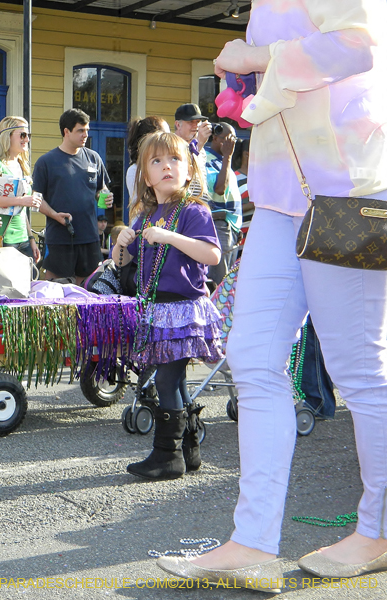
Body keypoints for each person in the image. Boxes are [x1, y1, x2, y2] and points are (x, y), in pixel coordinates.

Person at [157, 1, 387, 589]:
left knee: (359, 371)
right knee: (253, 358)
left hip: (342, 190)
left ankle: (378, 530)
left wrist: (257, 58)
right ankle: (253, 543)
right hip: (282, 193)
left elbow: (360, 43)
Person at [114, 131, 221, 481]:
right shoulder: (147, 214)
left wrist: (170, 236)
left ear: (188, 169)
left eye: (174, 160)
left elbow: (212, 254)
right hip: (158, 308)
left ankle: (166, 455)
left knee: (166, 379)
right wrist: (121, 242)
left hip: (184, 308)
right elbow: (121, 261)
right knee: (175, 381)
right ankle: (188, 450)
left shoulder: (194, 211)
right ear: (146, 175)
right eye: (156, 162)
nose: (166, 167)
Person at [33, 108, 112, 285]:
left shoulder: (94, 158)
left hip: (90, 236)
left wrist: (105, 196)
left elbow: (102, 188)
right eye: (80, 130)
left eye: (87, 130)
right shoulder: (46, 162)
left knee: (88, 289)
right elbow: (36, 199)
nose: (85, 135)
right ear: (66, 132)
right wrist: (55, 215)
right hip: (60, 237)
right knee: (56, 289)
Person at [0, 116, 40, 261]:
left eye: (28, 135)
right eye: (23, 135)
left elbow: (21, 209)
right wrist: (21, 200)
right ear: (8, 136)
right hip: (3, 238)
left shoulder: (21, 165)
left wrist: (31, 238)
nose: (27, 139)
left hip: (23, 238)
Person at [205, 122, 242, 285]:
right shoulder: (206, 157)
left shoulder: (222, 160)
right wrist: (228, 156)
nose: (231, 143)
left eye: (233, 139)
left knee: (228, 280)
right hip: (219, 225)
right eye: (228, 139)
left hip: (229, 227)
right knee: (220, 282)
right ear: (215, 138)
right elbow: (219, 188)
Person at [125, 115, 170, 216]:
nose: (169, 140)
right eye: (165, 136)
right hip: (144, 226)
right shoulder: (135, 170)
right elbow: (144, 205)